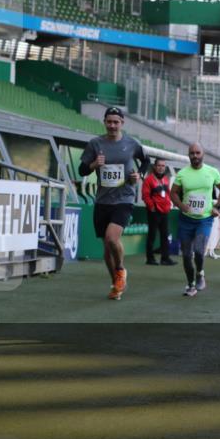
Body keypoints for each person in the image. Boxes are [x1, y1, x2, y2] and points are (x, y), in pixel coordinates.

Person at [78, 107, 150, 300]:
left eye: (115, 122)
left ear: (122, 123)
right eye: (109, 122)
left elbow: (146, 161)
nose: (112, 125)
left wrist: (139, 175)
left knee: (112, 238)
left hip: (124, 198)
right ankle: (116, 284)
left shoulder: (131, 144)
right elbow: (82, 170)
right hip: (102, 200)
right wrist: (94, 165)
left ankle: (120, 270)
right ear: (104, 122)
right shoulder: (95, 144)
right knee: (106, 249)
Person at [170, 143, 220, 297]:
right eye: (192, 153)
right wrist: (181, 205)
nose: (195, 156)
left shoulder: (212, 172)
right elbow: (173, 193)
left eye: (197, 153)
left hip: (204, 219)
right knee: (187, 255)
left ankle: (200, 273)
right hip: (186, 219)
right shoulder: (182, 173)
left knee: (199, 251)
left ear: (203, 154)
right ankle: (190, 285)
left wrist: (218, 207)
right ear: (188, 155)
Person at [141, 158, 176, 266]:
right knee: (152, 235)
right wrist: (152, 207)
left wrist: (169, 204)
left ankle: (165, 258)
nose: (161, 168)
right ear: (155, 167)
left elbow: (168, 193)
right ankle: (150, 258)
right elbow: (145, 196)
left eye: (163, 166)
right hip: (154, 211)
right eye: (159, 165)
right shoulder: (149, 180)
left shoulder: (165, 179)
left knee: (164, 235)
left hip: (165, 211)